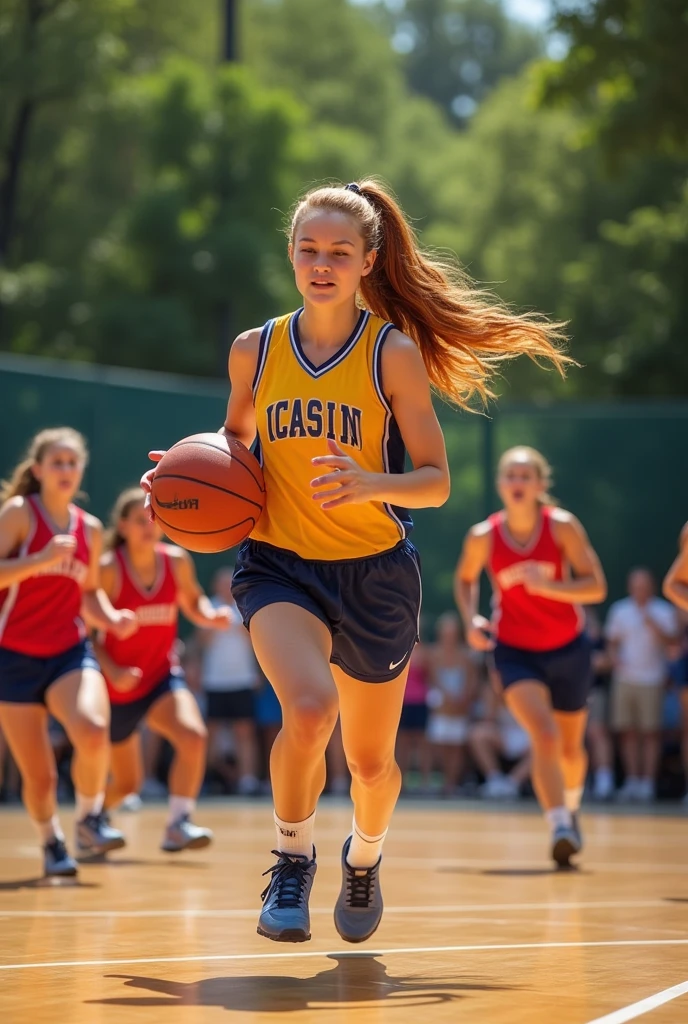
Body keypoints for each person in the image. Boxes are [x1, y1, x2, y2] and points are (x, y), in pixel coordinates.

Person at [142, 179, 568, 942]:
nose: (322, 263)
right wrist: (180, 479)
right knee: (308, 709)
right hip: (279, 564)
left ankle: (363, 859)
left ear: (369, 260)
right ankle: (292, 859)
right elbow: (234, 448)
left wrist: (375, 483)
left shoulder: (391, 355)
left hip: (374, 573)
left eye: (340, 251)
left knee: (372, 766)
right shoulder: (255, 350)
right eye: (308, 249)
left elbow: (436, 481)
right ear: (291, 256)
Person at [455, 446, 606, 867]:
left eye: (526, 476)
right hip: (514, 649)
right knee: (544, 734)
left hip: (568, 646)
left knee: (571, 749)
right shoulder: (484, 535)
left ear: (540, 485)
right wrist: (471, 619)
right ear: (502, 485)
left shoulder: (562, 528)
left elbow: (595, 587)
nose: (518, 482)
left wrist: (550, 587)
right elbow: (465, 579)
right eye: (511, 475)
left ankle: (570, 808)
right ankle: (559, 824)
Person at [0, 428, 136, 876]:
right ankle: (51, 841)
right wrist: (38, 559)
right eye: (56, 462)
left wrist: (111, 616)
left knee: (94, 729)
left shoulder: (90, 529)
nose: (65, 470)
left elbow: (90, 593)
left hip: (68, 651)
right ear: (37, 470)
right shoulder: (20, 513)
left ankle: (89, 818)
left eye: (72, 462)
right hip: (13, 656)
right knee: (40, 778)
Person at [94, 488, 230, 852]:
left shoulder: (176, 561)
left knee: (193, 735)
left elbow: (193, 600)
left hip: (160, 678)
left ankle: (178, 822)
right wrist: (110, 669)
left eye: (153, 519)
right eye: (139, 520)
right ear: (122, 526)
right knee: (126, 785)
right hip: (116, 687)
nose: (148, 527)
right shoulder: (108, 568)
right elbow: (88, 634)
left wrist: (208, 615)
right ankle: (91, 820)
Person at [606, 568, 677, 803]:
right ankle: (632, 781)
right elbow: (612, 642)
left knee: (650, 734)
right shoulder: (620, 610)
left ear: (652, 587)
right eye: (636, 586)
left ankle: (647, 783)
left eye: (644, 586)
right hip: (625, 680)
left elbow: (672, 642)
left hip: (653, 680)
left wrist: (654, 624)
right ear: (630, 587)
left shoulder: (663, 611)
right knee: (627, 733)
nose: (640, 591)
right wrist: (615, 658)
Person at [196, 566, 261, 796]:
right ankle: (203, 780)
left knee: (245, 731)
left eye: (229, 583)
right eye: (222, 584)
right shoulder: (207, 608)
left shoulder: (246, 606)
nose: (226, 588)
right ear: (215, 587)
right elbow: (202, 642)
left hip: (242, 680)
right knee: (210, 733)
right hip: (215, 682)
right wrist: (216, 623)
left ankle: (247, 780)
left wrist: (240, 625)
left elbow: (257, 640)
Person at [426, 612, 477, 795]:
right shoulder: (434, 654)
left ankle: (451, 783)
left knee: (456, 747)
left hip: (460, 708)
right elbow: (432, 679)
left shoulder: (465, 655)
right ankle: (442, 780)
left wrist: (463, 697)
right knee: (439, 746)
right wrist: (447, 695)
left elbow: (472, 680)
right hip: (441, 708)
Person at [469, 677, 531, 799]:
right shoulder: (492, 689)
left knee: (544, 746)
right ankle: (495, 780)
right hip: (503, 733)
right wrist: (494, 696)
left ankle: (512, 783)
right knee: (477, 734)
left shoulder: (529, 687)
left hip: (527, 733)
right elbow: (488, 720)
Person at [584, 608, 615, 801]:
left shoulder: (598, 636)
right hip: (567, 693)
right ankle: (578, 784)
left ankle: (604, 781)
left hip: (594, 692)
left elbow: (606, 661)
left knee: (597, 732)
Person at [395, 640, 431, 793]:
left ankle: (425, 782)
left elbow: (430, 676)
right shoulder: (396, 649)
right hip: (402, 702)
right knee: (402, 744)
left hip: (420, 702)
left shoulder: (425, 654)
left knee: (422, 743)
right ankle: (400, 782)